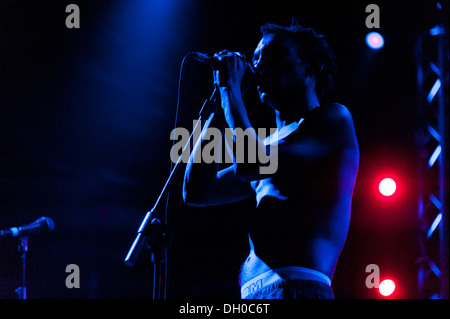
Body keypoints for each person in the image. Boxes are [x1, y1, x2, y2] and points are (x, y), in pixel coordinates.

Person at [182, 20, 359, 299]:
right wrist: (221, 102)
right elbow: (196, 191)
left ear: (310, 69)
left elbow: (253, 164)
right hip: (254, 294)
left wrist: (231, 93)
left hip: (298, 287)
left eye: (273, 56)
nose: (259, 66)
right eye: (255, 58)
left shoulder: (333, 118)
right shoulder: (265, 145)